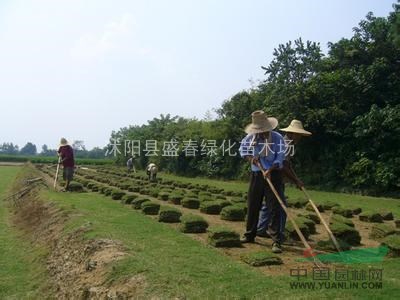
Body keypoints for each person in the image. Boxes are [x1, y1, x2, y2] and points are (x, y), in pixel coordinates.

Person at [256, 119, 312, 241]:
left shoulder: (290, 144)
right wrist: (296, 181)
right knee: (281, 207)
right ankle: (279, 234)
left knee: (269, 204)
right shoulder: (284, 143)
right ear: (291, 133)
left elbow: (288, 165)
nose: (299, 137)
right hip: (273, 175)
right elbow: (284, 166)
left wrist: (296, 179)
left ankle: (261, 229)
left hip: (275, 176)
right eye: (298, 134)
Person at [239, 110, 285, 253]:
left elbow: (280, 157)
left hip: (274, 174)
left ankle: (276, 241)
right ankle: (249, 234)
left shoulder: (278, 138)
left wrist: (270, 169)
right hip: (256, 174)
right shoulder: (250, 138)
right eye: (259, 131)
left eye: (264, 131)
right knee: (253, 204)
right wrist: (251, 159)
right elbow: (243, 150)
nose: (261, 133)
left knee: (274, 207)